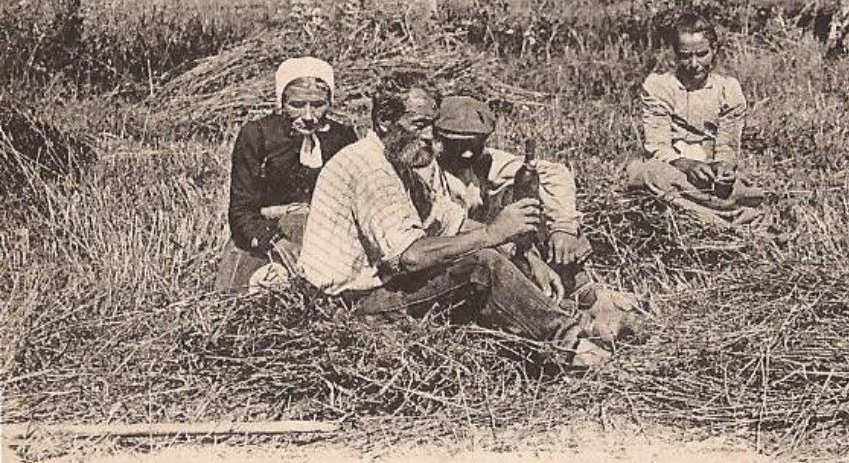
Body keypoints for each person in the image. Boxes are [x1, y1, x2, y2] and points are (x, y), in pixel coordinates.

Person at [298, 72, 607, 365]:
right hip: (348, 306)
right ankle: (567, 344)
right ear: (383, 121)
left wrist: (525, 256)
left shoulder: (398, 161)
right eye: (418, 124)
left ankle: (562, 316)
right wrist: (493, 234)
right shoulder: (370, 169)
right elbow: (411, 257)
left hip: (377, 289)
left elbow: (452, 221)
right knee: (480, 263)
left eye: (432, 124)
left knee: (486, 252)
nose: (430, 135)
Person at [215, 57, 358, 293]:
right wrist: (275, 241)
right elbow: (241, 211)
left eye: (318, 104)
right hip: (269, 234)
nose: (309, 115)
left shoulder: (342, 137)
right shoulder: (257, 135)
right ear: (281, 102)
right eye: (298, 105)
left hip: (324, 234)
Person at [423, 95, 591, 293]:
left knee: (532, 196)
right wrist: (525, 255)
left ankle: (578, 287)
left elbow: (553, 173)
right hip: (455, 252)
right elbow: (453, 226)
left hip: (491, 238)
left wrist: (563, 228)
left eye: (474, 145)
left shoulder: (483, 161)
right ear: (437, 138)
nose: (467, 153)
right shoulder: (426, 170)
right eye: (458, 145)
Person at [628, 11, 755, 228]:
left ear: (714, 50)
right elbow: (657, 147)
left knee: (738, 185)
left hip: (707, 173)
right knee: (651, 175)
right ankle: (723, 218)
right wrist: (686, 165)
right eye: (685, 56)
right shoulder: (658, 86)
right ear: (675, 54)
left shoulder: (728, 90)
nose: (694, 64)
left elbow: (727, 145)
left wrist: (722, 169)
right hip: (672, 168)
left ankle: (699, 212)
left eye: (702, 54)